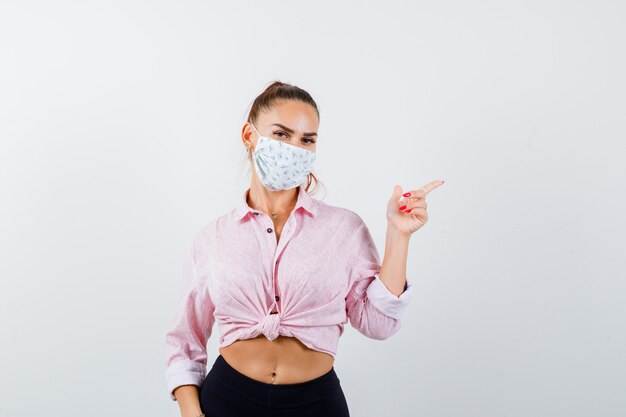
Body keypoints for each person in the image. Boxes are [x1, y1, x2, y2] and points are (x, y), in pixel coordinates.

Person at [164, 81, 444, 417]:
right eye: (281, 134)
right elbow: (185, 342)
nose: (294, 148)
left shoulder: (344, 229)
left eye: (306, 140)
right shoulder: (212, 239)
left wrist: (399, 236)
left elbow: (377, 324)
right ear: (249, 136)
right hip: (227, 399)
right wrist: (192, 414)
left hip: (315, 404)